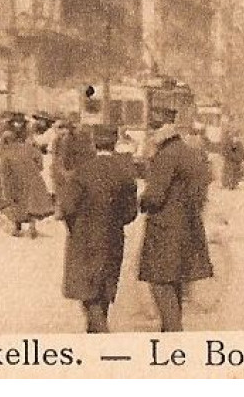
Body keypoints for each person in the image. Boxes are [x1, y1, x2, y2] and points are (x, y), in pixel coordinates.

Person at [137, 106, 215, 331]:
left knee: (160, 285)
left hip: (165, 229)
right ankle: (173, 332)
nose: (151, 133)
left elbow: (154, 196)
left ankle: (172, 338)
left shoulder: (166, 155)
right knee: (176, 284)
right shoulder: (189, 152)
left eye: (154, 128)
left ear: (163, 129)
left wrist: (141, 202)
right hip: (188, 225)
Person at [57, 123, 139, 333]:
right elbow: (130, 213)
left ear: (94, 143)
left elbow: (66, 207)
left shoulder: (82, 171)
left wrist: (74, 227)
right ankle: (95, 334)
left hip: (84, 238)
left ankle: (101, 336)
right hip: (112, 238)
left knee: (88, 291)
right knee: (104, 289)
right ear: (114, 143)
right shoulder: (125, 173)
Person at [0, 118, 53, 238]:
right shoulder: (28, 147)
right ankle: (32, 227)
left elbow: (4, 170)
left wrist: (6, 183)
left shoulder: (6, 152)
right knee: (31, 203)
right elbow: (39, 160)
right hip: (32, 178)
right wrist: (36, 170)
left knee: (16, 202)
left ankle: (17, 227)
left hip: (16, 180)